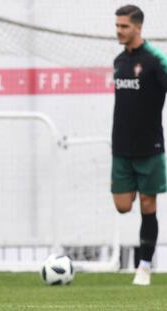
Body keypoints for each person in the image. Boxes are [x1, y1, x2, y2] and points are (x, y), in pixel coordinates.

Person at [112, 5, 167, 286]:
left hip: (150, 146)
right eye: (117, 26)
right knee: (123, 206)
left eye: (124, 26)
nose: (119, 31)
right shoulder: (119, 61)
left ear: (138, 28)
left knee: (148, 204)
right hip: (121, 147)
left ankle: (143, 267)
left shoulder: (156, 60)